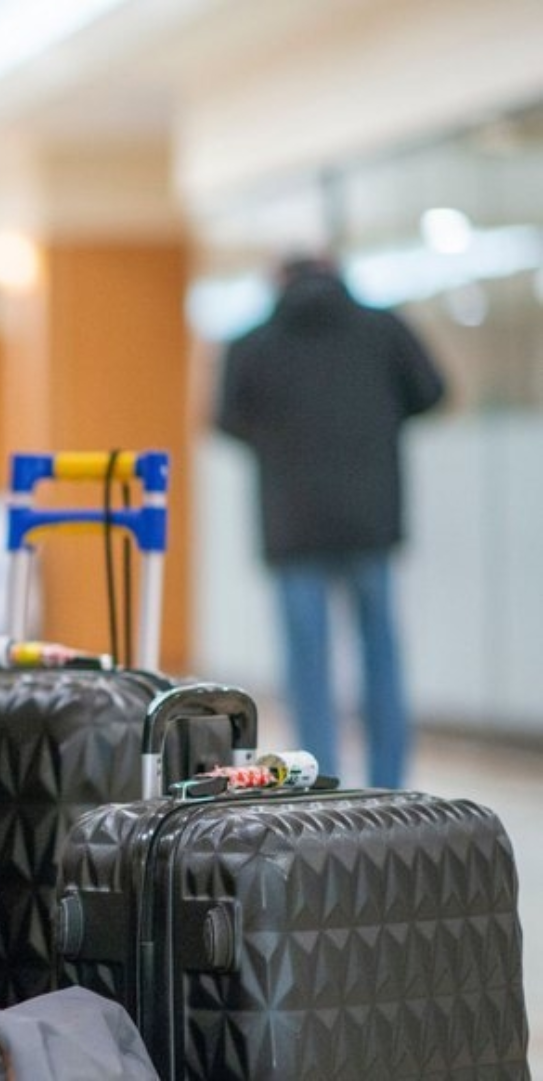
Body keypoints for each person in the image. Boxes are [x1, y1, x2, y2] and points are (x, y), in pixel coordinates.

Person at [217, 255, 446, 789]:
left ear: (279, 281)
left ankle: (318, 780)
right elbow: (433, 392)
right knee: (380, 653)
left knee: (308, 665)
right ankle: (389, 782)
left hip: (293, 521)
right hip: (371, 517)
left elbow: (227, 418)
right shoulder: (384, 329)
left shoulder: (253, 343)